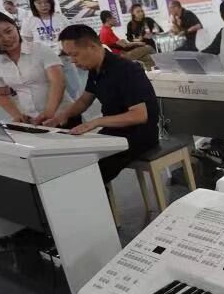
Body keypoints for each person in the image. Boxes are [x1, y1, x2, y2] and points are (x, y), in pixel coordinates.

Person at [44, 25, 159, 184]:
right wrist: (61, 117)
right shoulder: (95, 69)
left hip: (139, 134)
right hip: (114, 132)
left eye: (75, 54)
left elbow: (139, 115)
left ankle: (94, 195)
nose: (73, 61)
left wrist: (96, 122)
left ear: (92, 47)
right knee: (76, 157)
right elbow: (84, 100)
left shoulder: (126, 69)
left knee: (91, 169)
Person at [0, 11, 72, 126]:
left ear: (15, 26)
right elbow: (2, 94)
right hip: (31, 120)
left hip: (62, 115)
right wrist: (17, 115)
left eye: (8, 31)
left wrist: (49, 112)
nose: (6, 38)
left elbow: (58, 82)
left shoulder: (40, 50)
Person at [20, 0, 84, 100]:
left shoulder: (60, 18)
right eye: (39, 3)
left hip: (63, 59)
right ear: (33, 4)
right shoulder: (29, 21)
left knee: (74, 89)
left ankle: (75, 109)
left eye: (46, 2)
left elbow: (70, 37)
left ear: (51, 2)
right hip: (44, 63)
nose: (43, 5)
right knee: (53, 93)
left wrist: (67, 50)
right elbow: (27, 43)